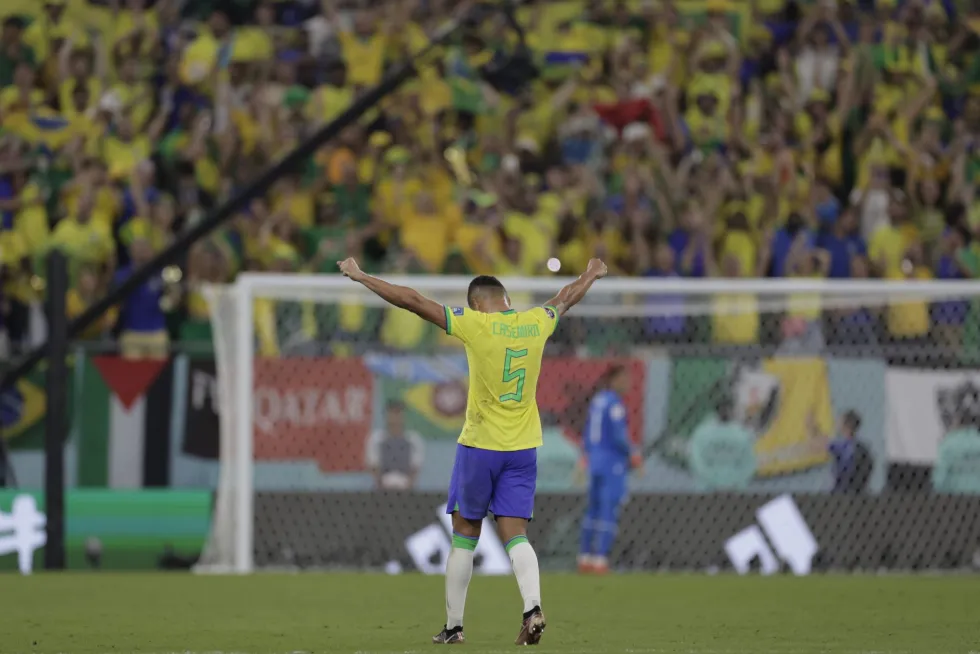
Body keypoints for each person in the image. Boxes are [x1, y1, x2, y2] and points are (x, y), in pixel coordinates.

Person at [337, 255, 608, 646]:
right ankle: (532, 607)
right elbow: (566, 296)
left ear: (477, 303)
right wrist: (591, 273)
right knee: (516, 536)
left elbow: (412, 300)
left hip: (480, 447)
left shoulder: (475, 323)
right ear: (507, 299)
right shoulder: (535, 321)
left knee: (465, 535)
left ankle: (453, 626)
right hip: (523, 449)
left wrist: (362, 277)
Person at [577, 364, 641, 574]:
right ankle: (600, 559)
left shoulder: (597, 400)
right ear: (614, 380)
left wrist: (586, 456)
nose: (628, 384)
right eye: (624, 379)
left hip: (595, 460)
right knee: (608, 510)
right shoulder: (614, 404)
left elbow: (588, 432)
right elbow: (618, 435)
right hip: (611, 463)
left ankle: (584, 557)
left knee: (592, 510)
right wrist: (632, 454)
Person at [364, 401, 424, 490]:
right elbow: (373, 467)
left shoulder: (414, 440)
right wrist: (383, 487)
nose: (395, 419)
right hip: (381, 490)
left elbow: (415, 469)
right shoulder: (375, 439)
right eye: (392, 414)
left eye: (398, 414)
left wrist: (407, 487)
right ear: (386, 417)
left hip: (407, 490)